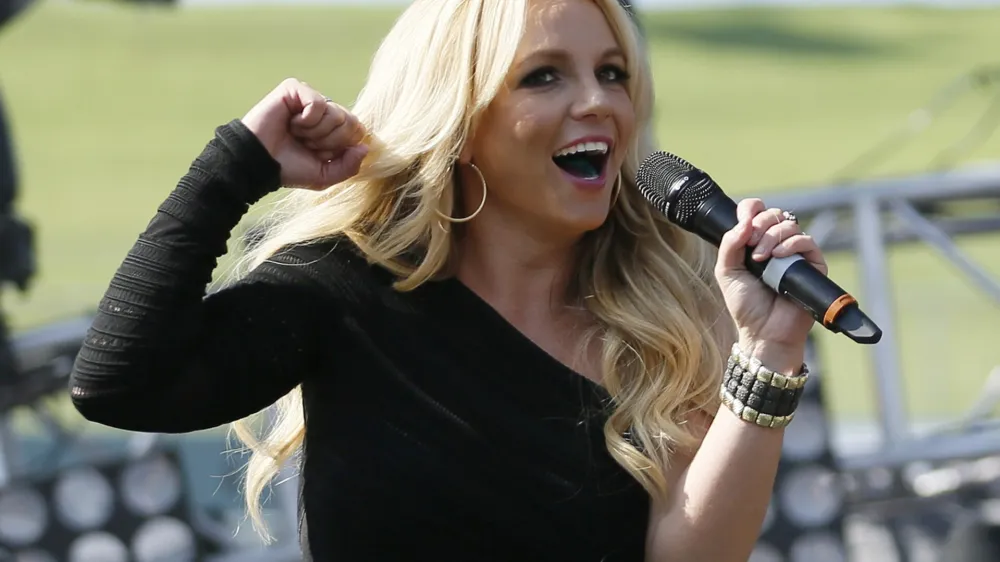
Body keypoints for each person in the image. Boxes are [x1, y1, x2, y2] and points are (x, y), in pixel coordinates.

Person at [68, 0, 827, 560]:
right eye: (544, 77)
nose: (597, 101)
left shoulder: (666, 307)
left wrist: (768, 356)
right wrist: (234, 164)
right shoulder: (344, 291)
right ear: (459, 117)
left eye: (612, 74)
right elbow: (119, 381)